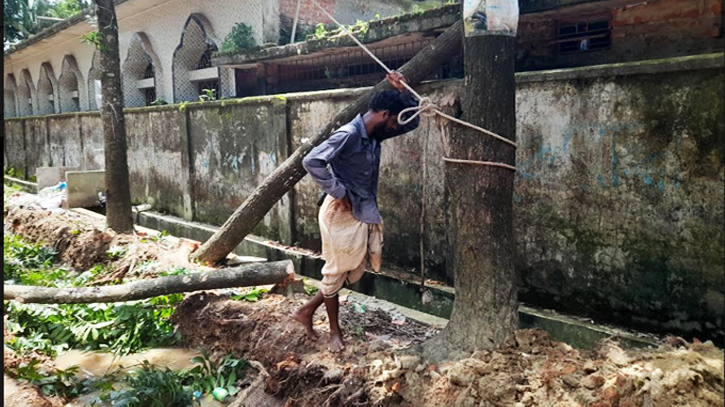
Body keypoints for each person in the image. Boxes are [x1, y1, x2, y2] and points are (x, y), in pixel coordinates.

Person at [294, 72, 420, 352]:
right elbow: (311, 160)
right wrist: (338, 191)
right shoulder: (349, 134)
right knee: (335, 271)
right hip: (339, 212)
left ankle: (306, 310)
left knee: (351, 268)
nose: (394, 127)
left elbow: (410, 122)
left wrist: (403, 92)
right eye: (392, 120)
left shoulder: (375, 133)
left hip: (362, 210)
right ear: (384, 114)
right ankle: (334, 332)